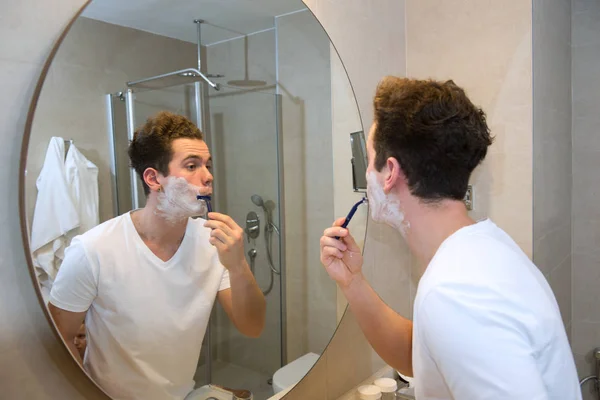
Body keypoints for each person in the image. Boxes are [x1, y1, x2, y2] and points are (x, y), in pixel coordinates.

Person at [320, 77, 581, 399]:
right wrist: (352, 282)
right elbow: (421, 354)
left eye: (368, 160)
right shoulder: (485, 248)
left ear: (389, 172)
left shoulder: (456, 293)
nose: (365, 176)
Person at [48, 111, 266, 400]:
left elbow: (252, 327)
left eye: (208, 165)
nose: (208, 176)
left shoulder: (213, 244)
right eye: (192, 165)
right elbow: (57, 341)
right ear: (153, 178)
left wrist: (237, 266)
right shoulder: (93, 249)